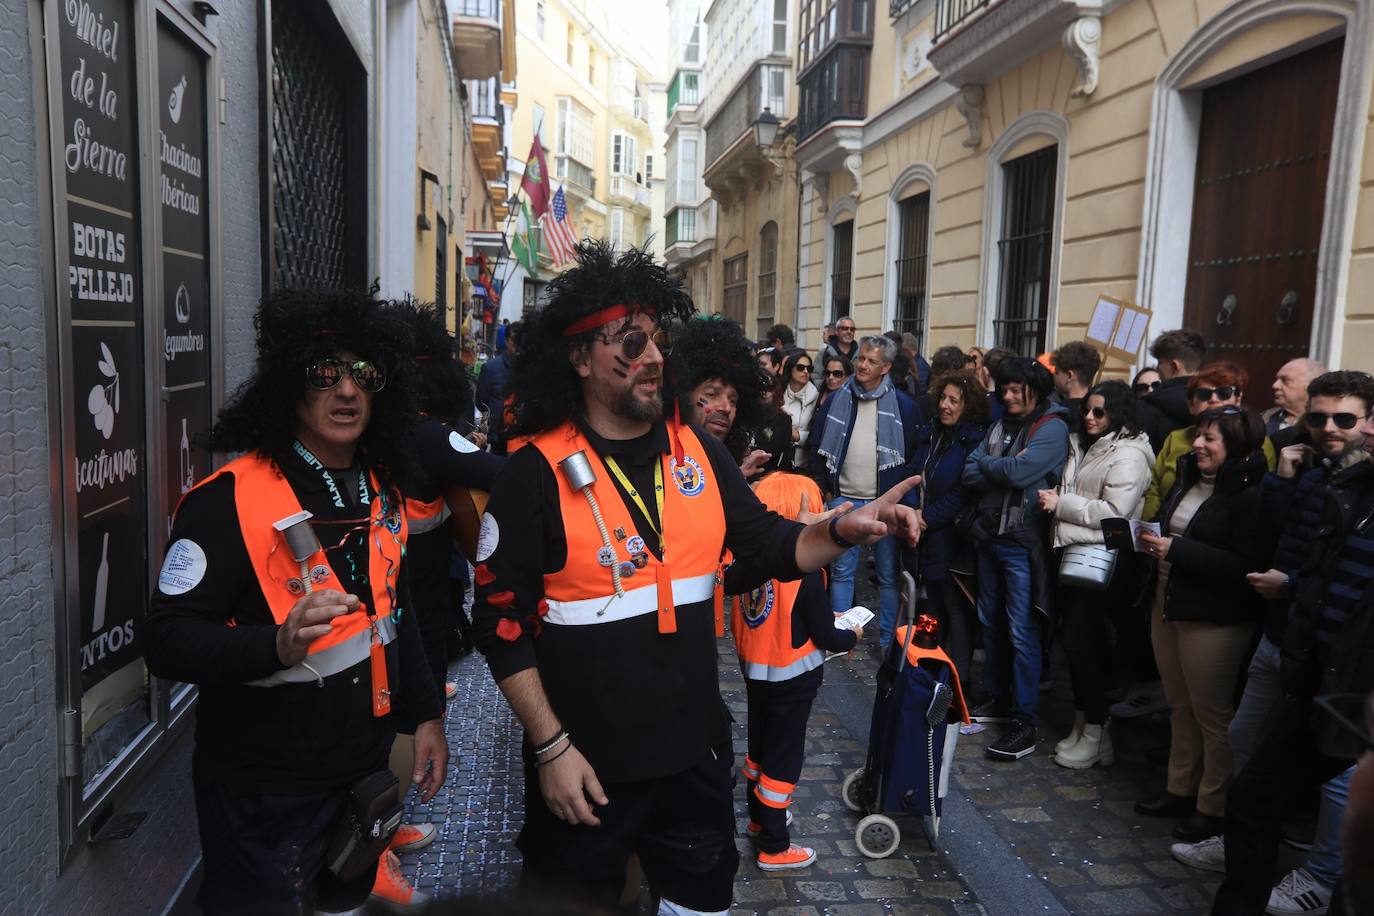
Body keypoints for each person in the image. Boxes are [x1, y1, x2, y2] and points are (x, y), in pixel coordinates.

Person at [469, 241, 921, 913]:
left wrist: (840, 529)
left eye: (657, 343)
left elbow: (768, 546)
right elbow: (500, 627)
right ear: (579, 358)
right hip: (585, 769)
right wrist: (551, 748)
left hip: (692, 762)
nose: (651, 358)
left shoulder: (698, 452)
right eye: (629, 344)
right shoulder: (533, 475)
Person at [145, 288, 447, 914]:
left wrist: (425, 717)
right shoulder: (226, 500)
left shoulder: (379, 488)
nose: (347, 391)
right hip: (263, 794)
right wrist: (275, 644)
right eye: (324, 374)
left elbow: (399, 616)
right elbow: (165, 640)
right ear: (289, 383)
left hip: (360, 778)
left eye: (364, 375)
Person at [1170, 371, 1373, 907]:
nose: (1330, 428)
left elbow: (1338, 581)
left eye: (1345, 419)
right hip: (1290, 639)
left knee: (1333, 779)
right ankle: (1242, 840)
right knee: (1246, 745)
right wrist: (1284, 480)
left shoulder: (1359, 486)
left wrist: (1295, 587)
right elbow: (1280, 538)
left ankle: (1320, 876)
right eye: (1321, 417)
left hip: (1342, 666)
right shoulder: (1317, 472)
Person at [1134, 406, 1267, 842]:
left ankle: (1212, 807)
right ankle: (1179, 788)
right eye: (1199, 436)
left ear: (1237, 445)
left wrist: (1176, 550)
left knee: (1212, 715)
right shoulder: (1190, 477)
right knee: (1179, 705)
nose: (1197, 445)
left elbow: (1244, 565)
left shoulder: (1253, 494)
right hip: (1167, 603)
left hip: (1213, 619)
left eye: (1210, 439)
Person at [727, 471, 862, 871]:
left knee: (758, 752)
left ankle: (757, 820)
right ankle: (774, 843)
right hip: (793, 680)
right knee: (783, 763)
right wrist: (851, 634)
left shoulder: (748, 564)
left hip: (757, 675)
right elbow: (826, 634)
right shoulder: (805, 575)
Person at [1036, 380, 1154, 769]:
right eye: (1087, 409)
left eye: (1099, 411)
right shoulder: (1087, 444)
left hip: (1102, 560)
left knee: (1081, 645)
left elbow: (1114, 513)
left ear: (1118, 414)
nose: (1089, 416)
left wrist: (1061, 504)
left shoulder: (1129, 454)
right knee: (1078, 646)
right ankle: (1084, 723)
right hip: (1073, 553)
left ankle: (1096, 731)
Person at [962, 356, 1071, 761]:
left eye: (1014, 390)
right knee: (989, 622)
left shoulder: (1052, 427)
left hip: (1020, 541)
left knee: (1021, 629)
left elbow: (1020, 474)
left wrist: (995, 467)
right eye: (1003, 389)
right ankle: (997, 698)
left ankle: (1025, 719)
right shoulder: (1000, 423)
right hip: (989, 536)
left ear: (1035, 391)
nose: (1006, 396)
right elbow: (969, 473)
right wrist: (1000, 468)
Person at [809, 335, 924, 650]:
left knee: (887, 575)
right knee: (842, 571)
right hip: (843, 499)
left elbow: (914, 456)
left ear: (886, 367)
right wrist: (824, 485)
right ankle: (842, 635)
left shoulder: (903, 406)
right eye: (861, 358)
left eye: (871, 361)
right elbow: (818, 445)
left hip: (884, 504)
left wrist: (905, 502)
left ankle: (888, 640)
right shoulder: (837, 398)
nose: (862, 365)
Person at [908, 369, 988, 687]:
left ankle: (958, 683)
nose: (945, 405)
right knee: (932, 608)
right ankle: (931, 673)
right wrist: (914, 509)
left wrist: (926, 517)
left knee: (956, 611)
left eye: (954, 400)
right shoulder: (932, 434)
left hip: (952, 538)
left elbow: (964, 491)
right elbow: (914, 471)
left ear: (968, 406)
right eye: (943, 397)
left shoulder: (973, 440)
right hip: (926, 535)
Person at [1141, 363, 1276, 522]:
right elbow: (1154, 487)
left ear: (1238, 400)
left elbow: (1261, 497)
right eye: (1204, 394)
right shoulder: (1176, 438)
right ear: (1191, 405)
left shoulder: (1256, 442)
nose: (1214, 400)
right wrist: (1154, 528)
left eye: (1224, 393)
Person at [675, 317, 776, 478]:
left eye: (733, 400)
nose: (726, 407)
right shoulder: (659, 458)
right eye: (712, 394)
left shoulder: (726, 463)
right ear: (683, 394)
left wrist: (737, 477)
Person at [1138, 329, 1208, 453]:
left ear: (1175, 366)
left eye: (1160, 363)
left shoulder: (1147, 406)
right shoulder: (1214, 401)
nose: (1158, 369)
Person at [476, 319, 523, 454]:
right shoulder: (491, 369)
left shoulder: (528, 369)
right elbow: (481, 403)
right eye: (514, 340)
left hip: (522, 438)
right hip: (498, 439)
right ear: (507, 341)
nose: (517, 345)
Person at [1265, 357, 1325, 450]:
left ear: (1311, 385)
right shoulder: (1263, 419)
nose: (1275, 385)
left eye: (1285, 380)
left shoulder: (1327, 424)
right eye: (1277, 380)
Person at [1050, 341, 1102, 433]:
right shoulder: (1100, 415)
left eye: (1056, 371)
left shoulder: (1057, 413)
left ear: (1070, 375)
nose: (1054, 376)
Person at [780, 351, 819, 468]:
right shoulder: (778, 393)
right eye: (801, 368)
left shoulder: (816, 397)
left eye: (809, 368)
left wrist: (798, 436)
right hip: (778, 459)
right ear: (790, 369)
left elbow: (817, 434)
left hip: (803, 464)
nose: (806, 372)